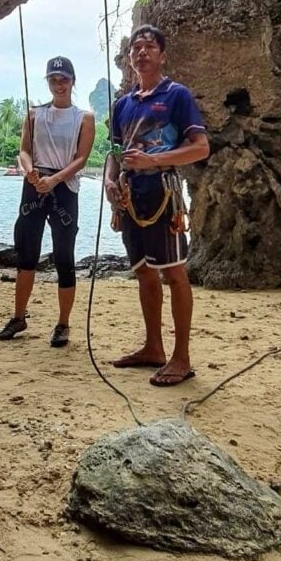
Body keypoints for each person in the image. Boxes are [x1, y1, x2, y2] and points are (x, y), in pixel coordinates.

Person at [104, 25, 210, 387]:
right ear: (130, 57)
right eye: (136, 47)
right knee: (144, 271)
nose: (142, 52)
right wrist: (108, 180)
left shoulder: (176, 95)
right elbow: (114, 151)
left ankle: (182, 357)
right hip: (130, 197)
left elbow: (201, 147)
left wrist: (153, 161)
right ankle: (153, 347)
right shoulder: (123, 103)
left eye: (150, 46)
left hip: (163, 191)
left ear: (162, 55)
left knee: (174, 273)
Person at [0, 57, 96, 346]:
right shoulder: (34, 114)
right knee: (27, 254)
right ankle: (18, 316)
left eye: (64, 79)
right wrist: (30, 172)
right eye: (53, 79)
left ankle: (63, 323)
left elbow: (81, 159)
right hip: (34, 183)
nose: (59, 84)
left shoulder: (84, 118)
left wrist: (54, 180)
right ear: (48, 82)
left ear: (72, 81)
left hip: (64, 188)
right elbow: (24, 151)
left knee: (64, 256)